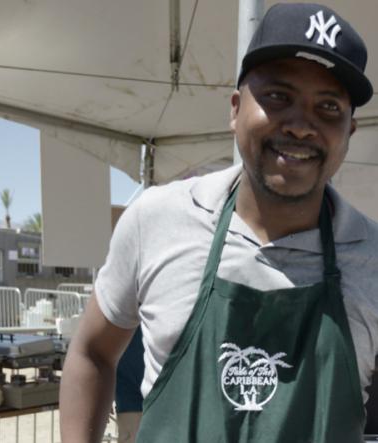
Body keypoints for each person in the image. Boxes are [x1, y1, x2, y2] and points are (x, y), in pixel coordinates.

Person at [60, 3, 378, 442]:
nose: (302, 126)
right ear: (234, 109)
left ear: (349, 133)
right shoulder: (156, 221)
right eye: (278, 96)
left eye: (327, 107)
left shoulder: (372, 259)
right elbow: (92, 351)